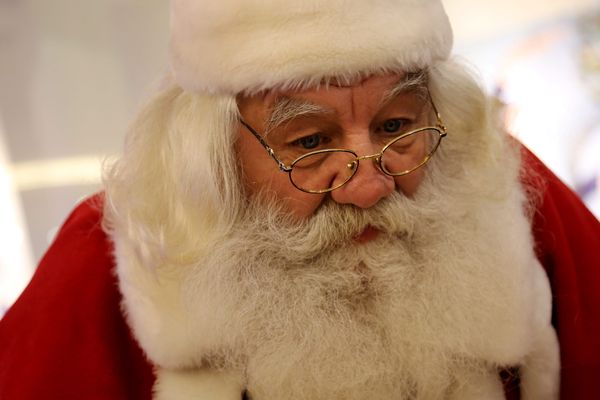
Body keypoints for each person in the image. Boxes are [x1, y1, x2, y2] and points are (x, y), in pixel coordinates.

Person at [1, 0, 599, 399]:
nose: (370, 186)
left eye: (396, 127)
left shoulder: (508, 190)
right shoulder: (114, 251)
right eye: (310, 141)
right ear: (214, 161)